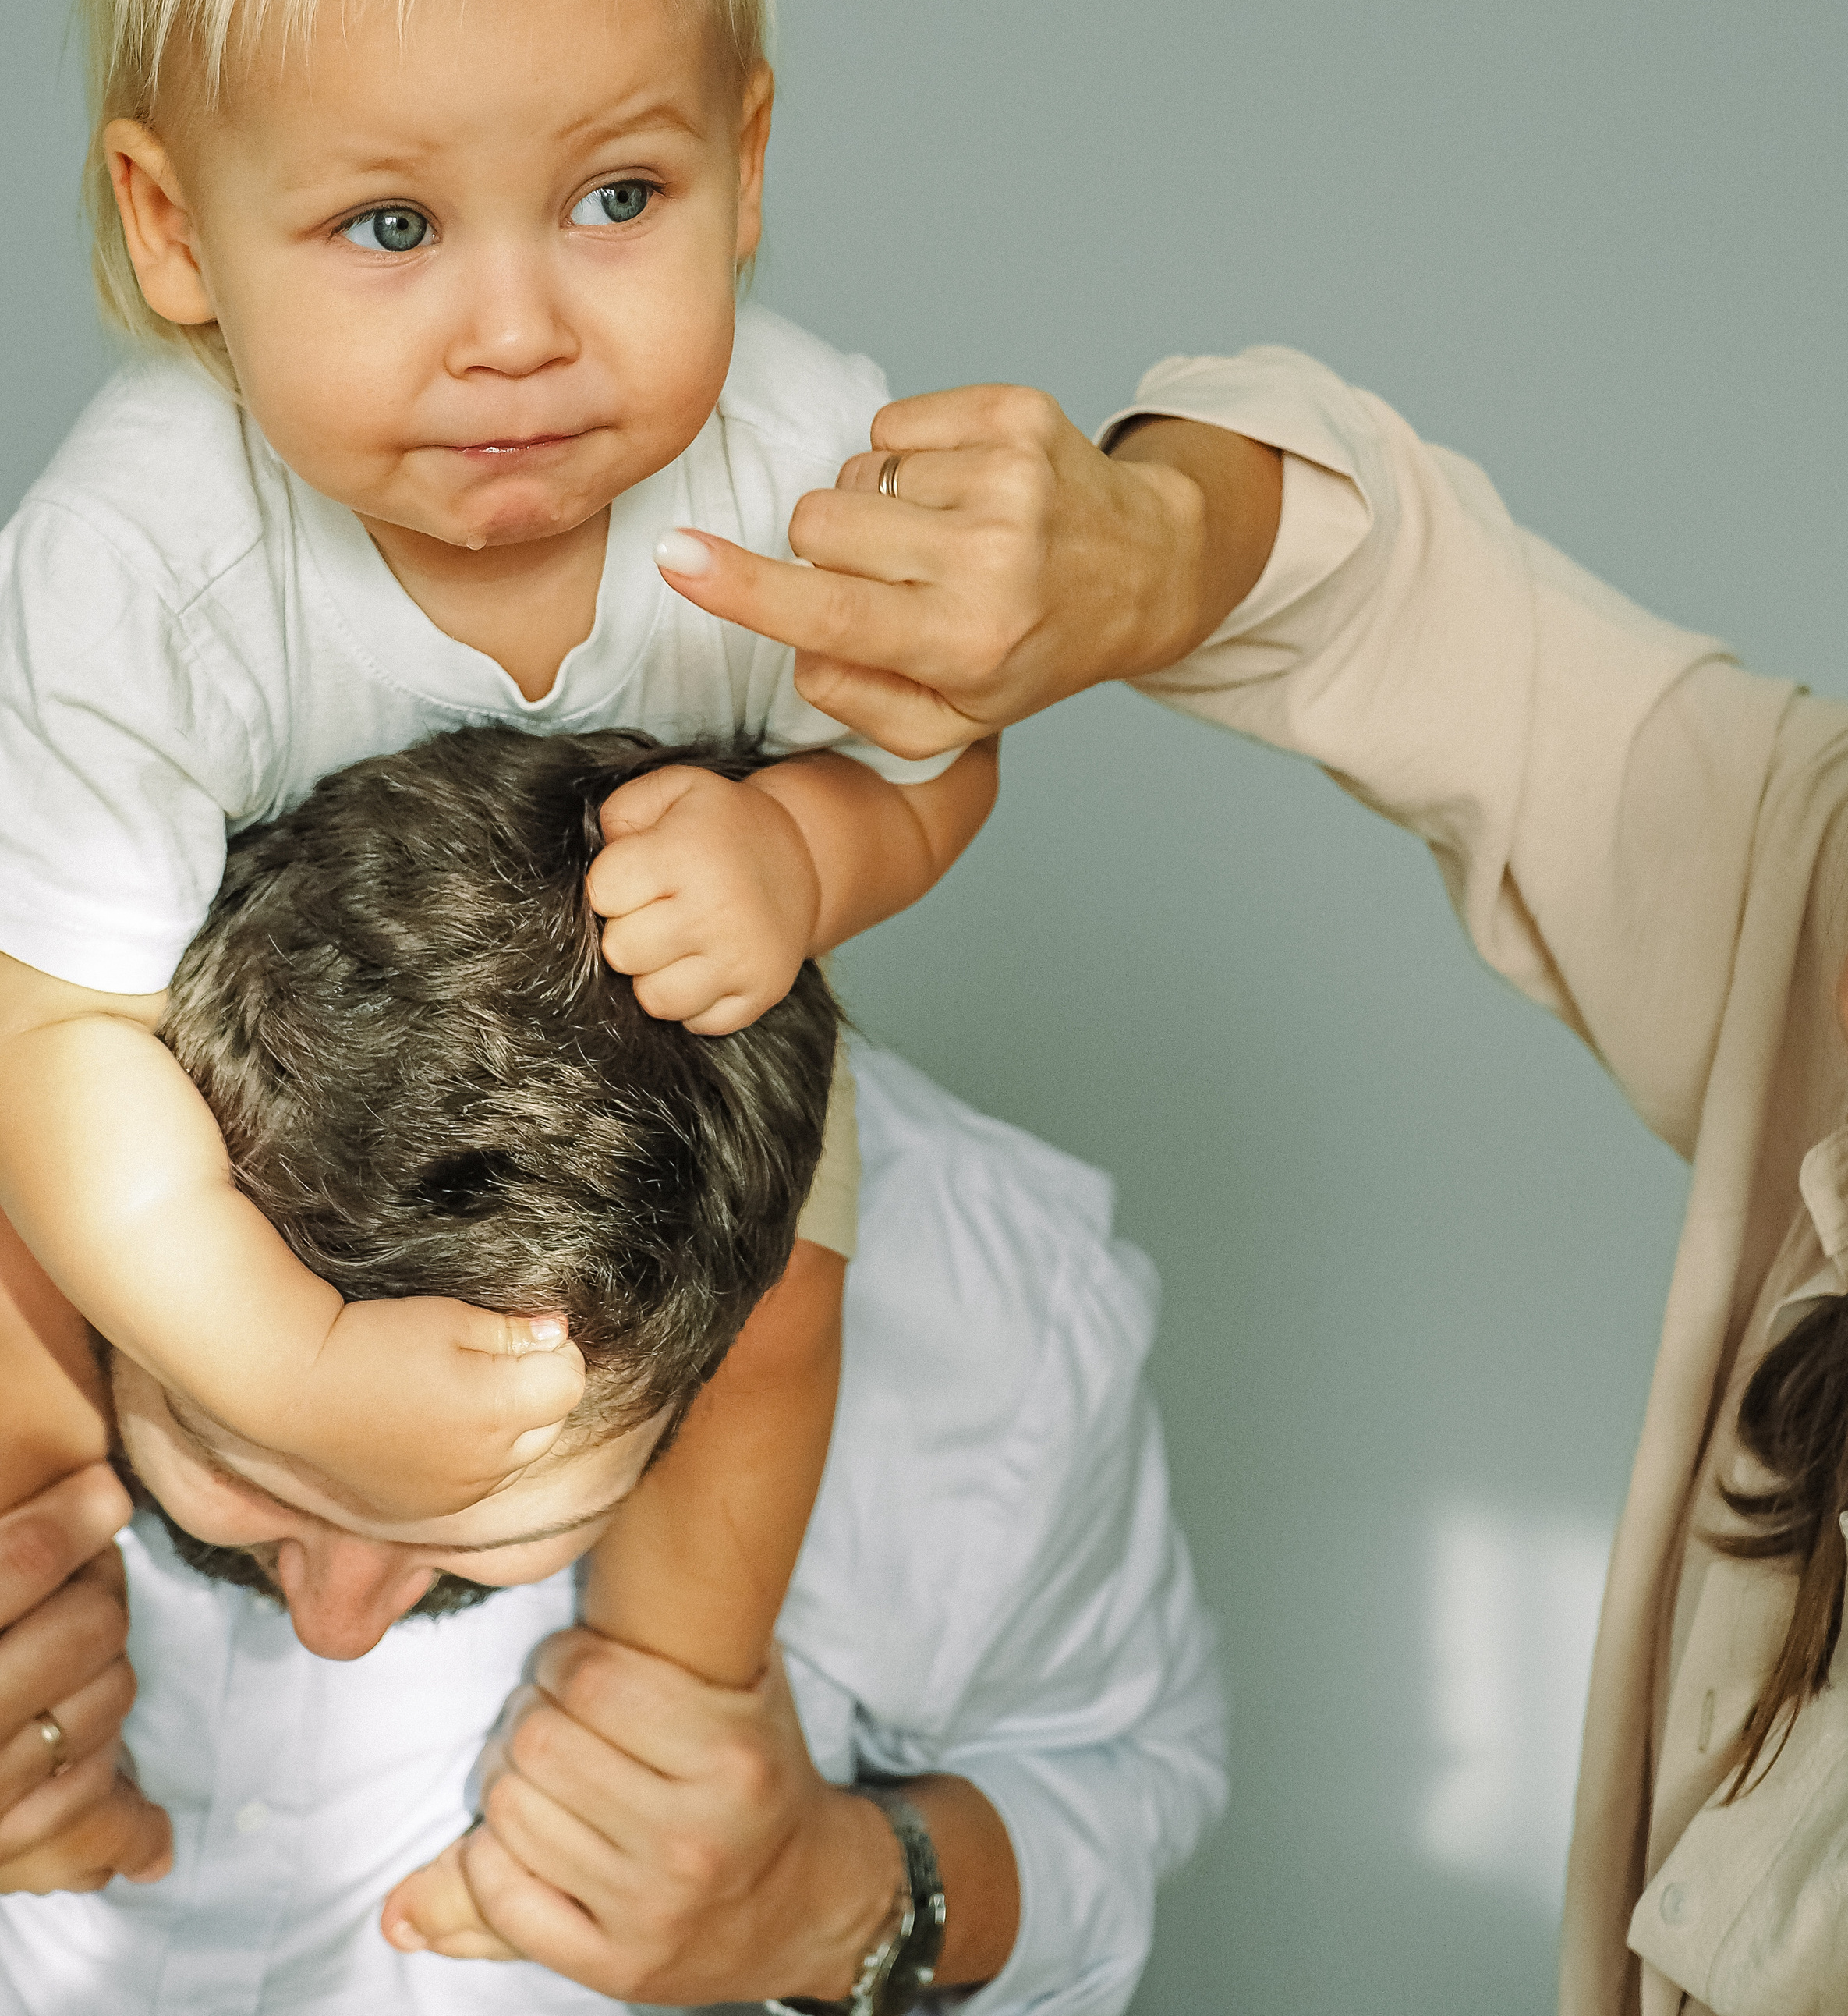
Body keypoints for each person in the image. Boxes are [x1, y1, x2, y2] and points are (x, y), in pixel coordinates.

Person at [0, 0, 1000, 1946]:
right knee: (34, 1319)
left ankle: (650, 1726)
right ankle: (55, 1746)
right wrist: (287, 1368)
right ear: (176, 236)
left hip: (656, 1046)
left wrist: (808, 844)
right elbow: (53, 1045)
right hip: (181, 1033)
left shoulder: (798, 454)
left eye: (616, 195)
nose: (521, 325)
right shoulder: (140, 546)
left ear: (747, 161)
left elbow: (941, 754)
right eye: (387, 226)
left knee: (777, 1310)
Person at [649, 345, 1848, 2014]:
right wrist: (1142, 543)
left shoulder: (1003, 1319)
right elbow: (1414, 613)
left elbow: (1105, 1796)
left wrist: (844, 1897)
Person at [0, 725, 1225, 2013]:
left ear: (724, 1354)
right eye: (230, 1457)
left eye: (493, 1528)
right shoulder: (66, 1103)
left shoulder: (994, 1324)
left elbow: (1135, 1775)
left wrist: (842, 1902)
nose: (339, 1619)